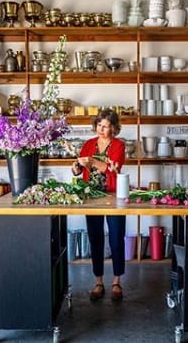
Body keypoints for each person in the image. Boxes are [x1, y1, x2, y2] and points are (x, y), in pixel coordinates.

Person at [71, 109, 126, 301]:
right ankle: (99, 281)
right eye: (100, 125)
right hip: (91, 196)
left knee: (116, 237)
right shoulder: (88, 144)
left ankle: (117, 281)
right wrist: (76, 166)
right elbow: (79, 169)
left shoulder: (119, 145)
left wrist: (92, 161)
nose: (102, 129)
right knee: (95, 238)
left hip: (113, 196)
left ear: (114, 129)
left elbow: (113, 168)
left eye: (107, 126)